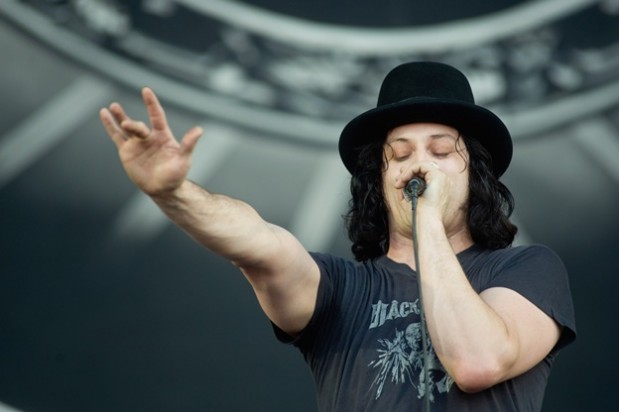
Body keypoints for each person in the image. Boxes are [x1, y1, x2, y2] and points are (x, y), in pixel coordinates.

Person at [99, 61, 576, 411]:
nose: (419, 165)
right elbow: (257, 243)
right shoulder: (341, 288)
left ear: (475, 174)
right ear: (378, 178)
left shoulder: (527, 270)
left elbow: (477, 363)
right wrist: (174, 193)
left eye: (441, 151)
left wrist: (426, 220)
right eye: (400, 154)